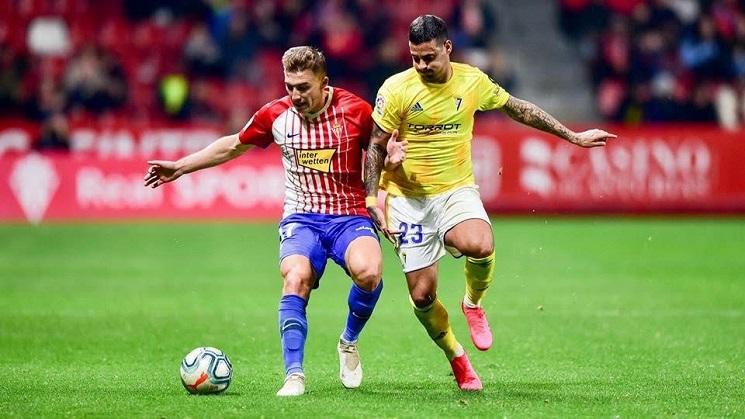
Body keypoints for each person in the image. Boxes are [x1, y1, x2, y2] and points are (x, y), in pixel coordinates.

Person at [364, 15, 616, 391]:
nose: (422, 65)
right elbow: (375, 146)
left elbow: (518, 108)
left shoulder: (472, 81)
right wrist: (373, 194)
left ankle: (472, 303)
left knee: (479, 244)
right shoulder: (396, 89)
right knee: (422, 296)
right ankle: (457, 357)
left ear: (448, 48)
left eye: (429, 57)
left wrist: (572, 136)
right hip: (407, 199)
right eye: (415, 58)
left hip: (455, 190)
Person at [145, 46, 384, 397]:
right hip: (302, 217)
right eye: (290, 87)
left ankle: (348, 340)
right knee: (295, 277)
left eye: (304, 87)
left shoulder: (356, 111)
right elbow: (233, 145)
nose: (296, 95)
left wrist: (391, 169)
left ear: (324, 83)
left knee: (369, 273)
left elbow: (380, 152)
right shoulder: (276, 115)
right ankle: (294, 376)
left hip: (349, 214)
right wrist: (180, 166)